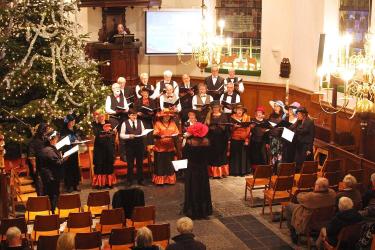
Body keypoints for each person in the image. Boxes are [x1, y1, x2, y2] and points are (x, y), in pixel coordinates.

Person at [284, 177, 336, 243]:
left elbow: (299, 197)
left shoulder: (311, 197)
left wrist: (309, 192)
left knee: (289, 206)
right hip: (326, 220)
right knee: (303, 206)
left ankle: (293, 232)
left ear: (319, 187)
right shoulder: (332, 193)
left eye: (315, 184)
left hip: (311, 222)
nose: (314, 185)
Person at [183, 122, 212, 219]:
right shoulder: (207, 142)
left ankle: (193, 210)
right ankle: (204, 211)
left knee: (193, 189)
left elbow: (184, 154)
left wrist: (185, 138)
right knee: (203, 189)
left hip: (192, 169)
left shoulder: (189, 143)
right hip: (203, 169)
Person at [39, 130, 67, 212]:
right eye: (56, 139)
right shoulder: (49, 150)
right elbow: (57, 162)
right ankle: (53, 214)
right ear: (51, 140)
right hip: (51, 177)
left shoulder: (47, 149)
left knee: (52, 195)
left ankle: (52, 213)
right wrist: (65, 158)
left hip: (49, 176)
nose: (57, 140)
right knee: (54, 195)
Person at [120, 108, 146, 186]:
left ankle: (140, 180)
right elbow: (121, 135)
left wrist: (144, 134)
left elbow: (143, 131)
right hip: (130, 146)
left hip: (139, 145)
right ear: (129, 116)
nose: (134, 117)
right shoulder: (125, 123)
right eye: (132, 115)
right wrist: (128, 136)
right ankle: (129, 180)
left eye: (135, 115)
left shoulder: (140, 122)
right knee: (130, 164)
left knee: (140, 164)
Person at [92, 110, 117, 189]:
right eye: (99, 116)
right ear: (97, 117)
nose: (101, 117)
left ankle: (109, 183)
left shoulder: (109, 123)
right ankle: (99, 184)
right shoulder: (95, 125)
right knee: (99, 165)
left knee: (109, 164)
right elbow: (96, 134)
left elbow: (113, 134)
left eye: (102, 115)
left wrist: (113, 132)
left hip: (108, 147)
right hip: (99, 148)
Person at [152, 110, 179, 185]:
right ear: (162, 117)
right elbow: (155, 133)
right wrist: (160, 136)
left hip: (170, 146)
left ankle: (170, 180)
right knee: (160, 164)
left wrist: (175, 135)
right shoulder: (158, 123)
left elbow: (176, 132)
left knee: (169, 164)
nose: (167, 117)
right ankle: (160, 181)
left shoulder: (173, 123)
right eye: (165, 116)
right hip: (160, 147)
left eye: (168, 116)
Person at [205, 101, 230, 178]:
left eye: (217, 107)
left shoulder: (223, 115)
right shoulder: (209, 115)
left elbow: (227, 127)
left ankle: (221, 173)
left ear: (220, 108)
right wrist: (210, 128)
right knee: (213, 155)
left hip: (222, 138)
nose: (216, 109)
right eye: (214, 107)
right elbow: (205, 127)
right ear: (212, 108)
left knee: (221, 155)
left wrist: (222, 127)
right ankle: (213, 173)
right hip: (212, 138)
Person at [27, 122, 50, 195]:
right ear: (42, 131)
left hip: (46, 166)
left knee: (48, 187)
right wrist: (34, 167)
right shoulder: (33, 142)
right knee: (40, 189)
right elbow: (31, 156)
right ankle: (41, 203)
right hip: (38, 167)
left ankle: (48, 203)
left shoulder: (45, 139)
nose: (46, 133)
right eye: (46, 131)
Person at [60, 114, 81, 193]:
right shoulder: (63, 131)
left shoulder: (75, 129)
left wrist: (78, 140)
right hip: (67, 151)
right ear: (67, 122)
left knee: (75, 167)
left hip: (74, 150)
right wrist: (71, 142)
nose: (72, 123)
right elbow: (62, 141)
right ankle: (69, 186)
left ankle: (76, 184)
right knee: (68, 168)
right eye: (71, 122)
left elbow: (78, 137)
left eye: (73, 121)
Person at [290, 107, 315, 171]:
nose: (297, 116)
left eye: (298, 114)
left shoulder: (310, 122)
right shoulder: (299, 121)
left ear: (303, 114)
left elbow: (312, 136)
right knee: (297, 163)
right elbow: (291, 128)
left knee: (304, 165)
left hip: (305, 146)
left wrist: (309, 149)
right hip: (298, 146)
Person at [229, 104, 251, 176]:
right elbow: (230, 129)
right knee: (235, 156)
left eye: (241, 110)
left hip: (243, 138)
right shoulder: (232, 117)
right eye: (238, 110)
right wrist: (234, 127)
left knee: (243, 156)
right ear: (235, 110)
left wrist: (245, 138)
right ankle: (235, 172)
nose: (239, 111)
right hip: (235, 138)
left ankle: (242, 172)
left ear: (243, 111)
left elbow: (248, 129)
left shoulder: (247, 117)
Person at [268, 100, 286, 172]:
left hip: (280, 139)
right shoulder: (271, 115)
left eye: (277, 106)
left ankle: (278, 171)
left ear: (281, 107)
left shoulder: (283, 116)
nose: (275, 108)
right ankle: (272, 171)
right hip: (272, 138)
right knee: (272, 155)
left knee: (279, 155)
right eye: (274, 106)